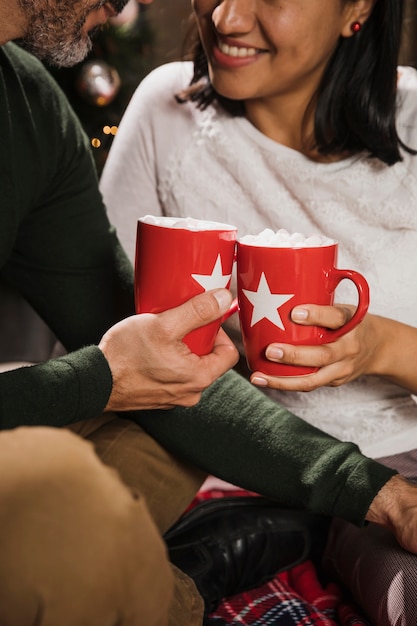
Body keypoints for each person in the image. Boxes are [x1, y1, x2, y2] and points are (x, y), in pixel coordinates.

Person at [100, 0, 417, 623]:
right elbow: (102, 335)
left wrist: (380, 348)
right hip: (263, 474)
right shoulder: (169, 109)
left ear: (357, 9)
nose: (226, 17)